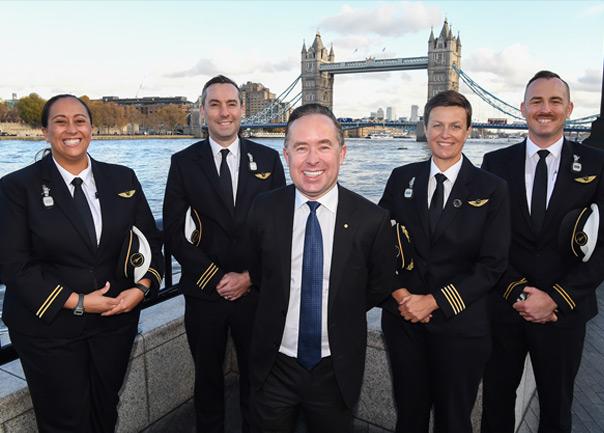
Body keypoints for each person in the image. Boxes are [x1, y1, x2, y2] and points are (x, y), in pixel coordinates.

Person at [0, 94, 164, 433]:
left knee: (105, 411)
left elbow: (150, 242)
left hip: (113, 324)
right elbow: (12, 265)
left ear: (91, 128)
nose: (71, 129)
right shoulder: (16, 187)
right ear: (45, 130)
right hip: (49, 329)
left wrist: (141, 288)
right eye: (60, 121)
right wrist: (78, 302)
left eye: (80, 120)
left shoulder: (124, 179)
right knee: (65, 421)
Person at [247, 103, 396, 433]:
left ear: (342, 154)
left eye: (323, 146)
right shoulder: (263, 209)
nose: (312, 160)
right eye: (301, 148)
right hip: (273, 364)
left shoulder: (372, 220)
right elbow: (259, 275)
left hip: (335, 369)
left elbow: (378, 287)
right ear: (286, 155)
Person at [379, 90, 510, 433]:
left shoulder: (492, 188)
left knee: (454, 421)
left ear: (469, 131)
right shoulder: (401, 178)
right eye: (437, 124)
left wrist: (434, 301)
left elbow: (492, 265)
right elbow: (377, 247)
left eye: (455, 125)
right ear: (425, 127)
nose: (445, 134)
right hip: (404, 321)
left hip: (461, 327)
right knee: (409, 418)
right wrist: (400, 296)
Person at [481, 71, 604, 433]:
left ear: (569, 108)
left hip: (565, 313)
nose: (545, 109)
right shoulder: (494, 163)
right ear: (522, 109)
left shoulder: (598, 165)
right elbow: (488, 243)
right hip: (505, 309)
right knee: (496, 405)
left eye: (554, 101)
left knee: (557, 408)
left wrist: (556, 298)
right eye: (536, 101)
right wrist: (519, 293)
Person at [163, 75, 285, 433]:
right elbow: (172, 231)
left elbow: (277, 229)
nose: (224, 112)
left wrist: (250, 277)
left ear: (243, 109)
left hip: (254, 295)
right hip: (204, 294)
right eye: (214, 104)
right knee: (208, 382)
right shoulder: (183, 162)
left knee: (257, 379)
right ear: (203, 112)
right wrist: (215, 278)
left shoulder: (268, 159)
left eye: (231, 103)